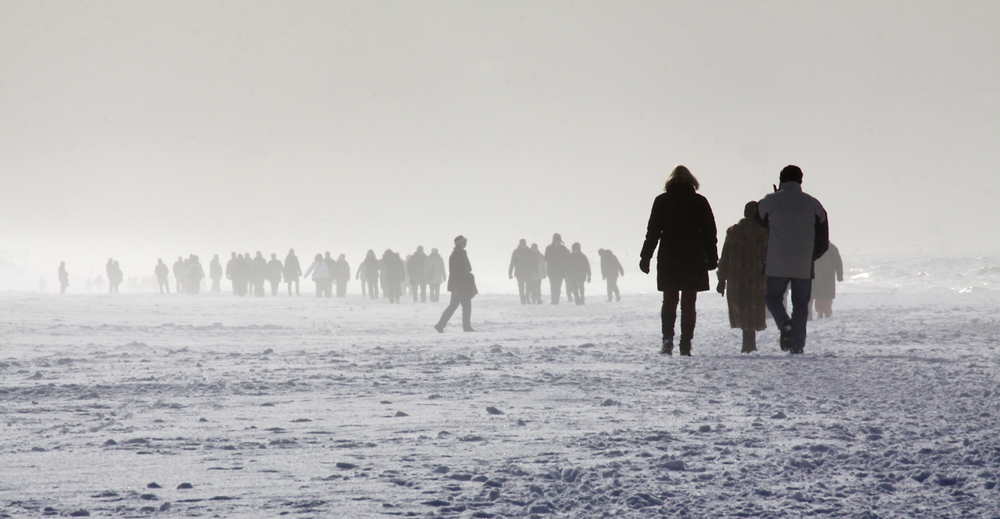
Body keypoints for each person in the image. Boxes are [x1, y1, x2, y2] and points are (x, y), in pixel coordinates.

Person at [639, 165, 718, 356]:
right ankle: (686, 343)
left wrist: (645, 257)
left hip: (669, 256)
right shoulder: (699, 201)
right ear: (692, 182)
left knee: (669, 299)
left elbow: (653, 232)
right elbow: (709, 233)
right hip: (693, 256)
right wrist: (712, 257)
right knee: (689, 302)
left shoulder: (662, 201)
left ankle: (667, 340)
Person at [755, 165, 829, 354]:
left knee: (772, 298)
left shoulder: (770, 201)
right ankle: (797, 346)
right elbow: (823, 240)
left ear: (781, 180)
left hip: (776, 261)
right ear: (800, 181)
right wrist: (811, 256)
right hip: (803, 263)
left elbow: (759, 218)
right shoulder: (813, 204)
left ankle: (784, 322)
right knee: (801, 305)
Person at [716, 201, 769, 353]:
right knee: (754, 308)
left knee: (742, 308)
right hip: (757, 277)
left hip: (737, 277)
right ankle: (750, 343)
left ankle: (747, 343)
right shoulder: (765, 232)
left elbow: (725, 257)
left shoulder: (734, 232)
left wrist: (721, 279)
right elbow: (768, 256)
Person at [434, 235, 477, 332]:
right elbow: (454, 272)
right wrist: (455, 288)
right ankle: (441, 324)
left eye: (465, 242)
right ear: (459, 244)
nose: (465, 243)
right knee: (455, 306)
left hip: (464, 284)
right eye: (463, 242)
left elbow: (468, 269)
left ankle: (465, 326)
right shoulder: (455, 256)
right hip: (458, 285)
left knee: (465, 306)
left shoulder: (462, 254)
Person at [811, 242, 843, 319]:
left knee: (820, 295)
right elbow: (838, 262)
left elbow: (838, 262)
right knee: (825, 295)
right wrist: (839, 275)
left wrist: (839, 275)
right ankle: (824, 312)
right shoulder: (832, 248)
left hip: (819, 275)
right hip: (827, 276)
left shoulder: (816, 247)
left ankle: (822, 312)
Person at [544, 233, 571, 304]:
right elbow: (546, 258)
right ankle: (554, 300)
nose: (557, 242)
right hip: (552, 271)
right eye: (556, 241)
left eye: (558, 241)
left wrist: (562, 263)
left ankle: (556, 300)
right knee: (553, 286)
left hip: (560, 271)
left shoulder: (563, 248)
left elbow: (567, 259)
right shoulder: (549, 248)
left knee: (558, 287)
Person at [508, 239, 534, 305]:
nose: (523, 244)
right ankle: (523, 300)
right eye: (522, 243)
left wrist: (535, 271)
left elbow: (533, 262)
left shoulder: (529, 251)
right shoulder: (516, 252)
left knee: (529, 286)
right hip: (519, 273)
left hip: (528, 272)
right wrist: (510, 272)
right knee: (521, 287)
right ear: (520, 244)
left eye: (524, 243)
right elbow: (513, 263)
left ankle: (527, 297)